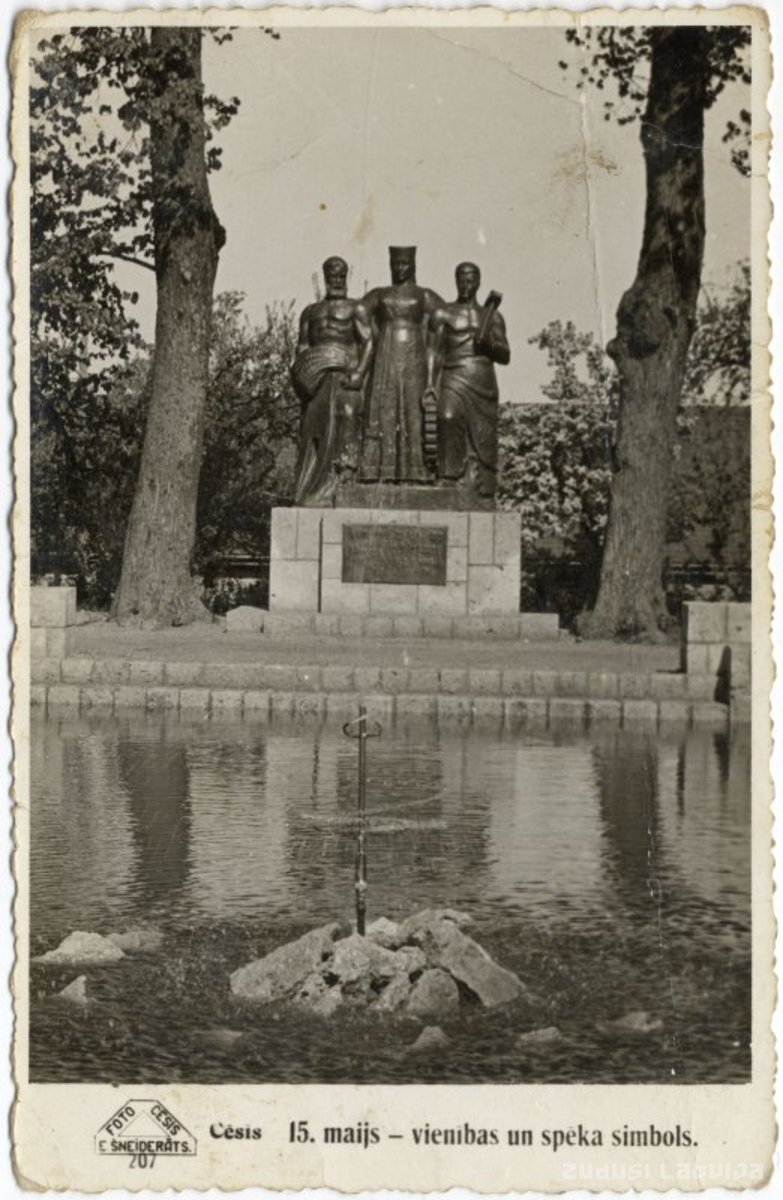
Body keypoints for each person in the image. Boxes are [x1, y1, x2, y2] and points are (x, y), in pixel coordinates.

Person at [425, 262, 510, 506]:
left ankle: (483, 488)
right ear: (455, 281)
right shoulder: (443, 313)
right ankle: (448, 476)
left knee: (483, 434)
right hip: (453, 374)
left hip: (482, 380)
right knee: (447, 416)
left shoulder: (492, 316)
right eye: (461, 278)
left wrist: (489, 344)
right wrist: (430, 382)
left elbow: (505, 355)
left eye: (470, 279)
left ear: (478, 282)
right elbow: (433, 351)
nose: (465, 284)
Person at [291, 256, 372, 506]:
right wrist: (301, 373)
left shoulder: (356, 308)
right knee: (313, 431)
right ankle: (309, 490)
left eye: (340, 276)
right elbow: (303, 345)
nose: (336, 281)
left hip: (345, 377)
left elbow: (368, 343)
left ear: (345, 277)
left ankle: (343, 481)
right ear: (325, 277)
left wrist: (359, 373)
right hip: (317, 382)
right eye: (332, 276)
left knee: (346, 417)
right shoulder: (310, 312)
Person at [360, 246, 442, 483]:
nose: (400, 268)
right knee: (384, 409)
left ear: (413, 264)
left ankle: (418, 471)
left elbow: (446, 315)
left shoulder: (424, 295)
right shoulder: (380, 294)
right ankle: (380, 471)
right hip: (386, 355)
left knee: (414, 410)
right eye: (396, 263)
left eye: (404, 263)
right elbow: (357, 311)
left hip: (414, 357)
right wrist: (372, 333)